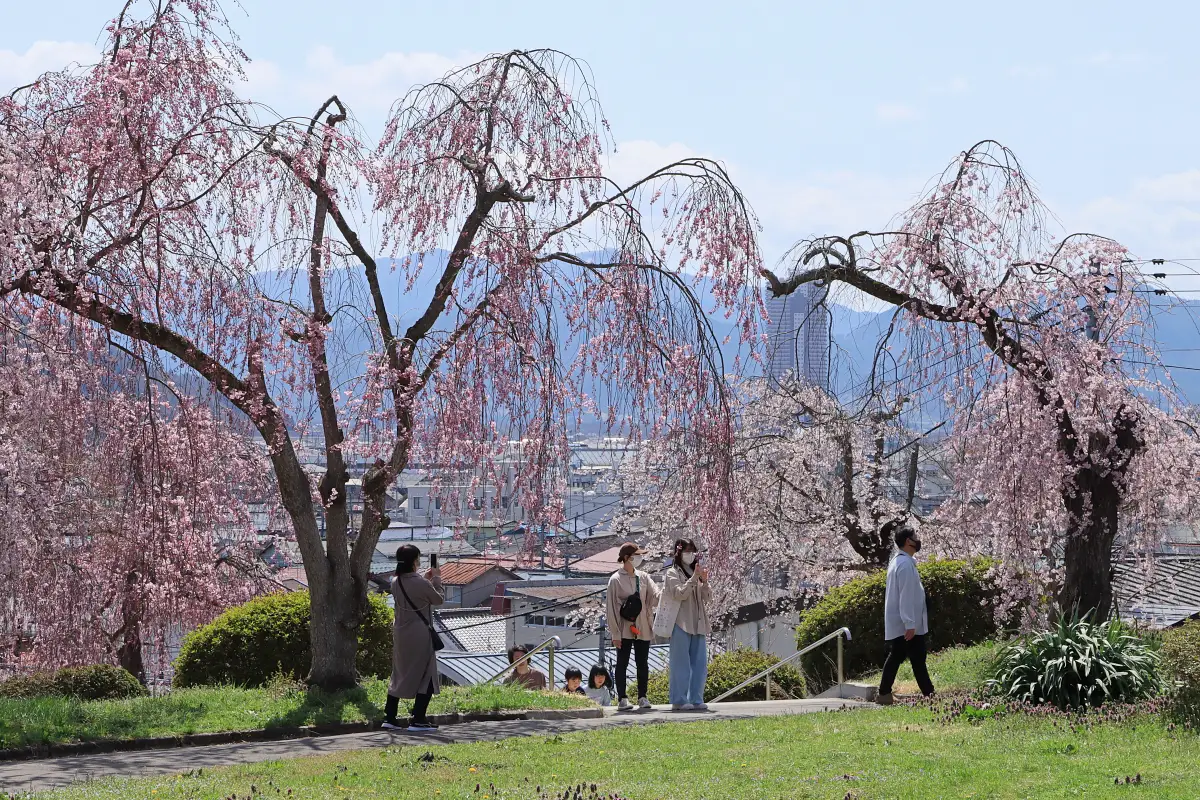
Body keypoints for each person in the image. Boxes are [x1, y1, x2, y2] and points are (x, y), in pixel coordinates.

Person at [384, 544, 445, 732]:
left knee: (400, 673)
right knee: (426, 674)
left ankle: (390, 717)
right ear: (414, 561)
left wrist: (425, 580)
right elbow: (438, 600)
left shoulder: (395, 581)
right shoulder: (420, 583)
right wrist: (435, 579)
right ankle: (418, 719)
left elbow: (414, 591)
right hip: (420, 633)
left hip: (401, 632)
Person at [876, 521, 935, 704]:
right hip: (907, 624)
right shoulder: (905, 565)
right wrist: (910, 623)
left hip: (903, 622)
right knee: (916, 657)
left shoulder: (898, 562)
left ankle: (884, 693)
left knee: (899, 655)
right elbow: (906, 596)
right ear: (909, 541)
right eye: (915, 537)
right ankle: (929, 694)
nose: (918, 540)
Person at [605, 541, 660, 711]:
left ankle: (643, 696)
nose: (640, 558)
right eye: (636, 556)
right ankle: (622, 698)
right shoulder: (615, 579)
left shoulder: (643, 577)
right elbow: (611, 608)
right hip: (624, 627)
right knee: (622, 662)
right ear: (627, 558)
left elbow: (655, 596)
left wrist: (669, 592)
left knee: (642, 663)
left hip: (642, 625)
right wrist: (615, 633)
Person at [663, 538, 712, 711]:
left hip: (698, 623)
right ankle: (679, 700)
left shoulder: (696, 572)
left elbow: (707, 598)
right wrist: (693, 578)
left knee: (700, 664)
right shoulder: (672, 573)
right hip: (680, 622)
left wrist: (704, 581)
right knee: (680, 663)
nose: (690, 555)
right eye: (686, 551)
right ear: (678, 553)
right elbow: (679, 594)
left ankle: (697, 698)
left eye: (693, 551)